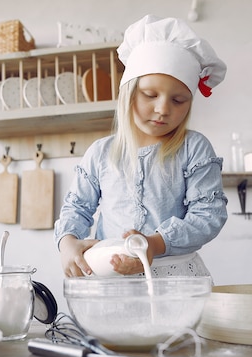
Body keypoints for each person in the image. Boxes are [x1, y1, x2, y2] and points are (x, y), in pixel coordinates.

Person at [54, 14, 228, 278]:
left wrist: (154, 244)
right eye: (150, 95)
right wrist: (68, 242)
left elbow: (208, 214)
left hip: (174, 277)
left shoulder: (194, 148)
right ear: (129, 93)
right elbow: (76, 207)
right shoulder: (101, 153)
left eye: (179, 100)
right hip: (111, 278)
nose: (163, 109)